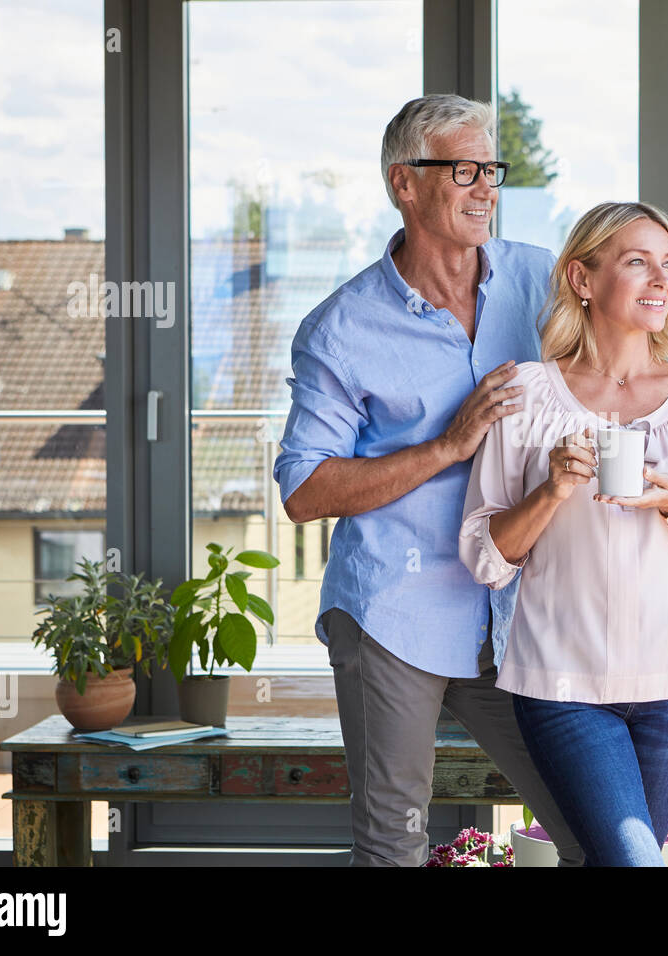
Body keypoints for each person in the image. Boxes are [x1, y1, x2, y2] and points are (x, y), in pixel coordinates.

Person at [272, 94, 587, 866]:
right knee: (393, 844)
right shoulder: (340, 329)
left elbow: (614, 367)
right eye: (464, 169)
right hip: (394, 612)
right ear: (404, 183)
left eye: (493, 169)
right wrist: (448, 445)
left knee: (590, 826)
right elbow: (305, 490)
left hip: (514, 611)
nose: (486, 187)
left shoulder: (536, 282)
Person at [458, 201, 668, 866]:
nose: (661, 279)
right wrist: (553, 488)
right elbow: (486, 554)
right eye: (638, 261)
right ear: (583, 280)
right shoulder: (528, 395)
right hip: (562, 685)